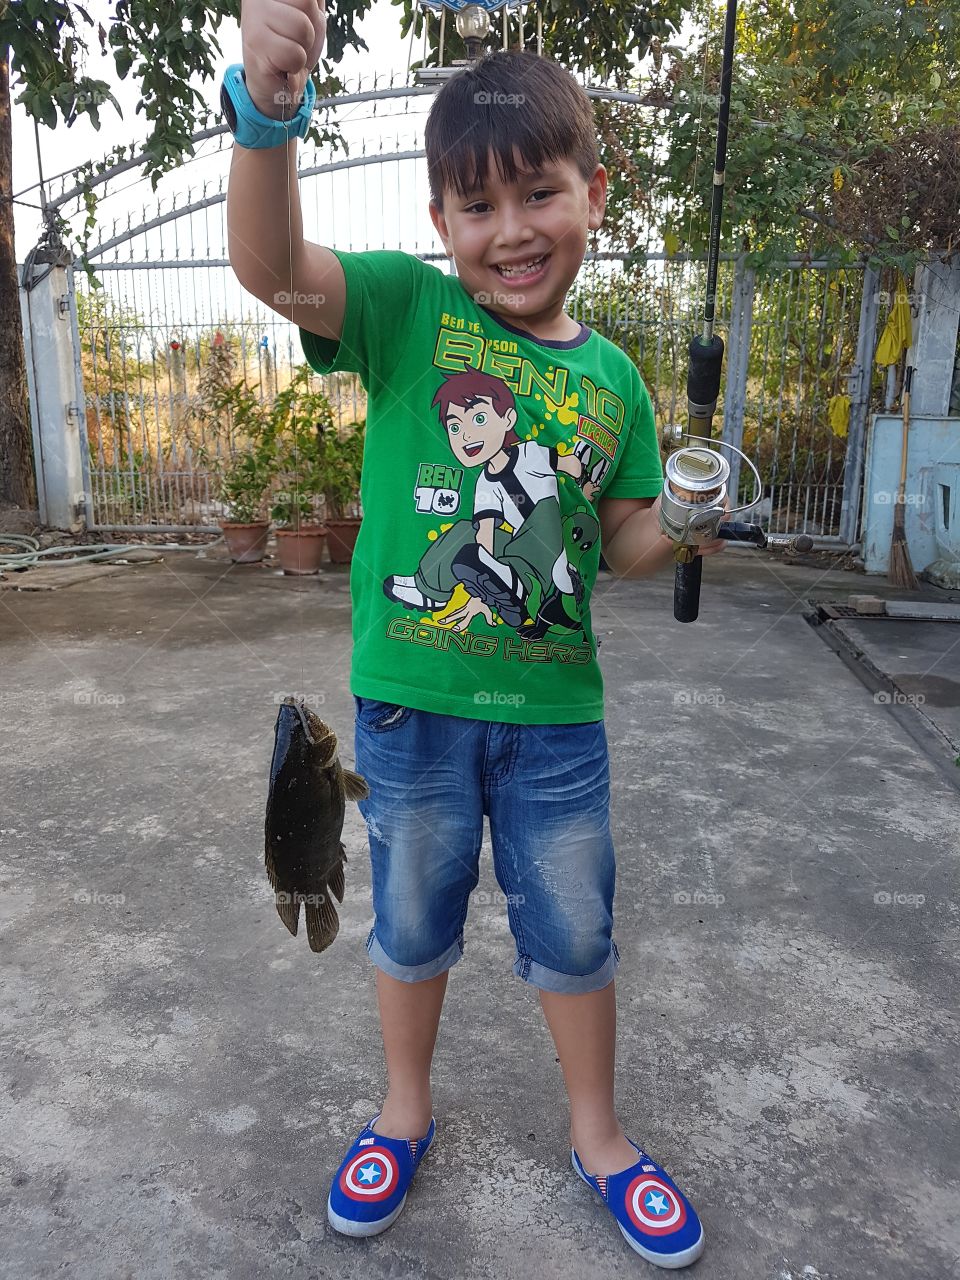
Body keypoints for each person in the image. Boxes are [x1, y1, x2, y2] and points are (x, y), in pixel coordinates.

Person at [225, 0, 727, 1267]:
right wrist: (268, 114)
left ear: (594, 195)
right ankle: (404, 1109)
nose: (511, 231)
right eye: (477, 206)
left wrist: (682, 515)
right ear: (439, 222)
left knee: (575, 932)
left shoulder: (612, 380)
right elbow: (270, 265)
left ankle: (600, 1135)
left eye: (539, 194)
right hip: (410, 712)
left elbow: (620, 548)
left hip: (557, 724)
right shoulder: (402, 315)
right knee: (408, 920)